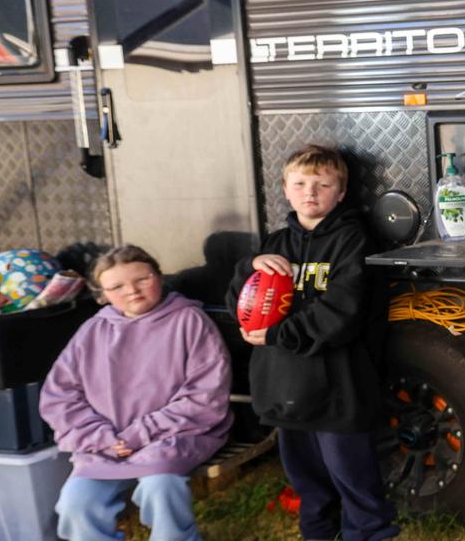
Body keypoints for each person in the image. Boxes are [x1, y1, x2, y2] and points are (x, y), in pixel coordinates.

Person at [227, 144, 398, 541]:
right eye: (300, 184)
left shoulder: (354, 242)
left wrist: (276, 334)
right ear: (285, 189)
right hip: (286, 392)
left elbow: (341, 314)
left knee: (356, 487)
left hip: (339, 394)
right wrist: (248, 267)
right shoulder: (273, 245)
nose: (310, 192)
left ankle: (368, 534)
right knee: (310, 489)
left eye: (323, 185)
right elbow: (241, 303)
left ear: (340, 193)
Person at [41, 245, 232, 541]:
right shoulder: (93, 330)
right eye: (116, 286)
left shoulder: (189, 321)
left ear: (158, 277)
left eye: (141, 279)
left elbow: (205, 395)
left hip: (174, 437)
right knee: (76, 505)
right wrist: (100, 437)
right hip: (105, 445)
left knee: (161, 488)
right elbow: (59, 396)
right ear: (102, 294)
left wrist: (138, 434)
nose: (132, 291)